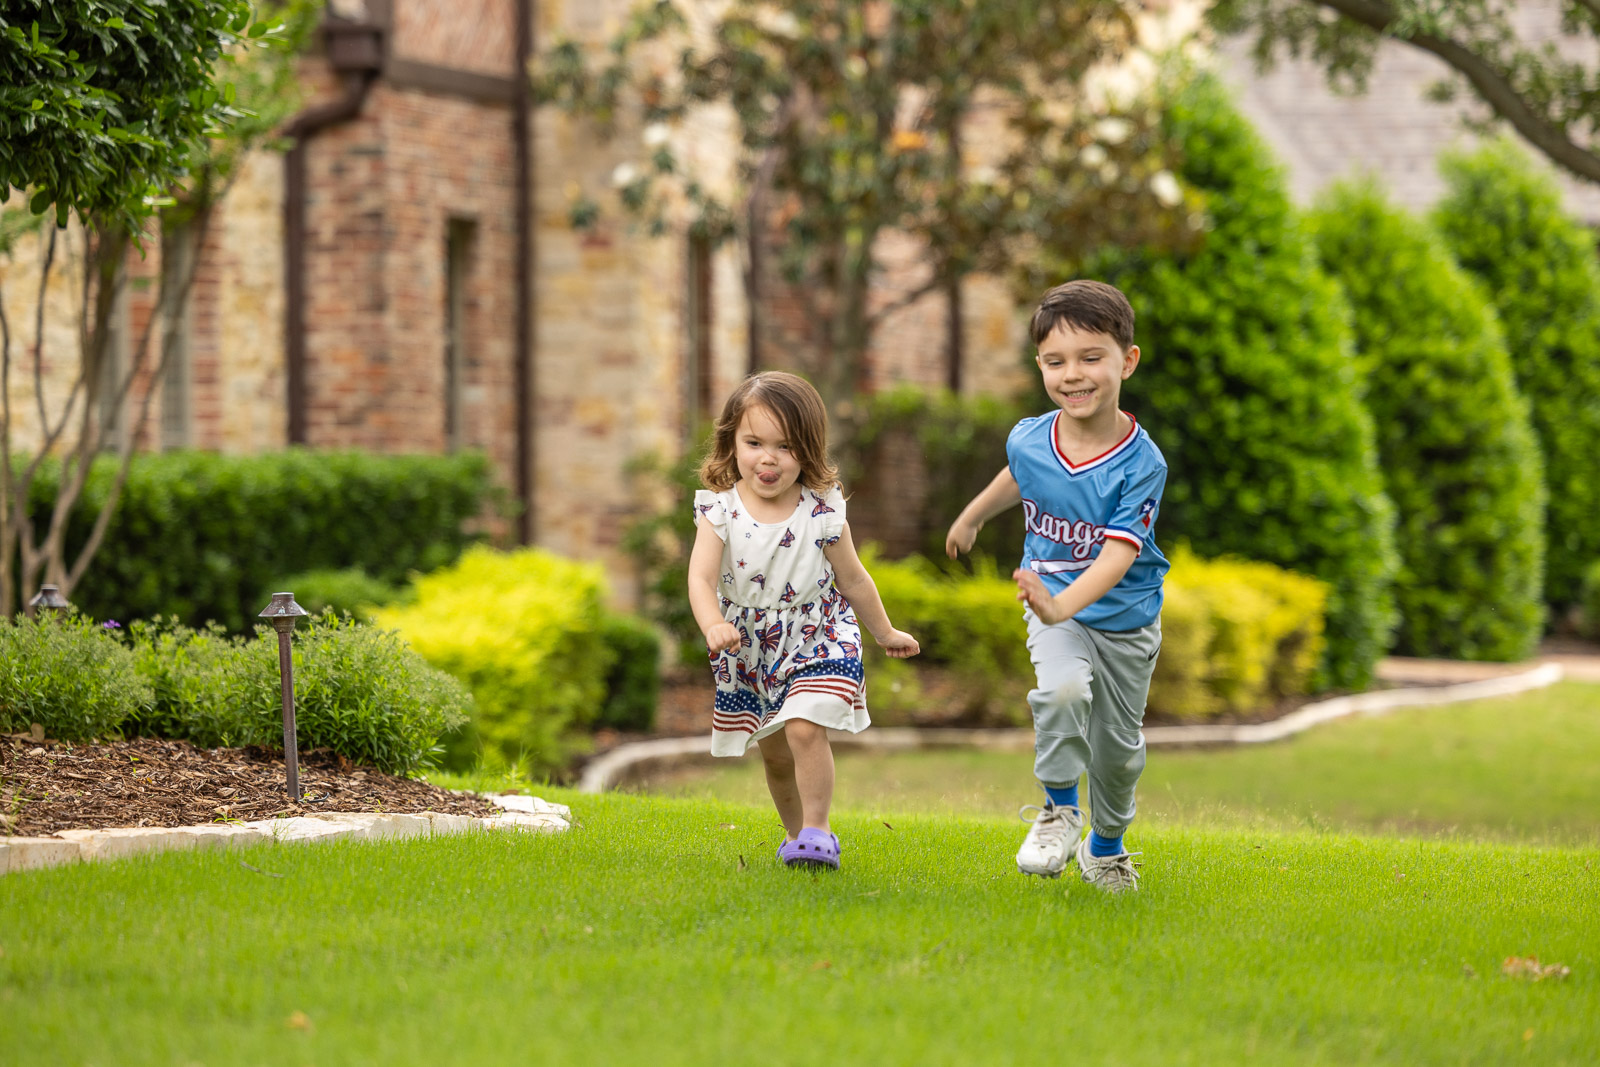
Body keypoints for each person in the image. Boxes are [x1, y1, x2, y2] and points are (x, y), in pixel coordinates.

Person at [945, 280, 1168, 893]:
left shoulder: (1141, 464)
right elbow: (1019, 474)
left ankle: (1106, 848)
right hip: (1055, 609)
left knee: (1118, 753)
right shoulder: (1029, 436)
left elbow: (1119, 556)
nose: (1073, 374)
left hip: (1124, 618)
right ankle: (1059, 810)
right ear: (1040, 365)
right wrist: (972, 517)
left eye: (1090, 357)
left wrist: (1060, 602)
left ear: (1127, 360)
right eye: (1055, 361)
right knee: (1063, 692)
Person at [688, 371, 920, 870]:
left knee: (804, 726)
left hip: (818, 633)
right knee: (774, 754)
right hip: (749, 647)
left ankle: (818, 829)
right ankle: (798, 838)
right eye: (754, 442)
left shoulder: (822, 511)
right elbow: (701, 580)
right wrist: (712, 625)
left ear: (808, 452)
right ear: (732, 442)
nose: (767, 458)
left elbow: (854, 579)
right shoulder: (719, 512)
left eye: (785, 446)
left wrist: (885, 632)